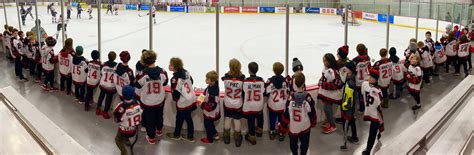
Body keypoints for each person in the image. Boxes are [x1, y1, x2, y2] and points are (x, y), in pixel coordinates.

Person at [135, 50, 168, 144]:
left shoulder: (143, 74)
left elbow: (137, 85)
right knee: (159, 115)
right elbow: (165, 82)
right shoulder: (162, 72)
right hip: (160, 100)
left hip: (148, 101)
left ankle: (151, 137)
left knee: (150, 120)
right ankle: (159, 130)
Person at [279, 72, 316, 155]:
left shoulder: (290, 98)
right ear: (304, 83)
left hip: (294, 126)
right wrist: (313, 122)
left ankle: (295, 153)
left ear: (294, 83)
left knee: (293, 143)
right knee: (305, 143)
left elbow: (286, 114)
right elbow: (312, 112)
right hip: (305, 126)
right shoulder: (307, 97)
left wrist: (283, 126)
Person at [167, 57, 197, 142]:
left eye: (171, 65)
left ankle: (190, 136)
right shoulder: (186, 72)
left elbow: (175, 94)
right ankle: (177, 134)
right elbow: (192, 81)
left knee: (187, 119)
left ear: (175, 67)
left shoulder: (174, 79)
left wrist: (177, 100)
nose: (169, 66)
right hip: (191, 98)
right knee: (180, 118)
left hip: (183, 102)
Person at [222, 58, 245, 147]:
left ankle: (226, 137)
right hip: (237, 103)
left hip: (227, 102)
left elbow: (227, 77)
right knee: (237, 120)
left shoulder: (226, 77)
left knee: (227, 119)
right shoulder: (242, 78)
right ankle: (237, 139)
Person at [318, 53, 343, 134]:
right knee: (327, 109)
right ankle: (329, 121)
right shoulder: (326, 68)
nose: (323, 62)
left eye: (324, 60)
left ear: (329, 61)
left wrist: (323, 84)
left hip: (330, 95)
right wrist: (320, 81)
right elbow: (323, 78)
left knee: (327, 109)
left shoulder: (333, 71)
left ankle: (333, 125)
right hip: (327, 94)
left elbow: (338, 84)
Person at [113, 85, 142, 155]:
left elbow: (116, 118)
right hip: (134, 130)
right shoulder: (137, 103)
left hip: (124, 131)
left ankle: (124, 152)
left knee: (117, 140)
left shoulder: (121, 106)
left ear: (123, 95)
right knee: (127, 123)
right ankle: (127, 140)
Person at [361, 69, 384, 155]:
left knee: (372, 132)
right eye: (369, 76)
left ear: (376, 79)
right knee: (373, 128)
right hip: (368, 110)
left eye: (372, 77)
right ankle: (379, 131)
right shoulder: (364, 84)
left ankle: (368, 149)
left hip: (375, 114)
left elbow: (379, 104)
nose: (370, 78)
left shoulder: (378, 91)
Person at [264, 62, 288, 141]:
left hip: (273, 105)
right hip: (282, 105)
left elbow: (265, 92)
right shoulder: (285, 81)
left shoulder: (270, 81)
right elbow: (288, 90)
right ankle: (281, 132)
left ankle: (272, 131)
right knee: (281, 119)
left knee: (272, 118)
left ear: (273, 70)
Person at [242, 62, 265, 145]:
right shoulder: (261, 80)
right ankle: (259, 131)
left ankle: (252, 137)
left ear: (249, 70)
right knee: (260, 117)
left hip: (250, 105)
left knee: (251, 121)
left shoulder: (246, 81)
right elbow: (264, 92)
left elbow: (243, 93)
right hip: (259, 105)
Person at [340, 61, 359, 149]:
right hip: (351, 107)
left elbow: (349, 99)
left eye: (346, 68)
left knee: (346, 123)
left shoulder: (350, 83)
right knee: (352, 122)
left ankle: (345, 143)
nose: (345, 69)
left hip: (348, 108)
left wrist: (345, 108)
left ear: (350, 70)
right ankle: (355, 138)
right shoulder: (350, 78)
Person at [200, 71, 221, 144]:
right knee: (210, 122)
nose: (206, 80)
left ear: (212, 81)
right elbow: (205, 92)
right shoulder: (212, 86)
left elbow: (212, 105)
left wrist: (202, 105)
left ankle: (209, 139)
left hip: (210, 111)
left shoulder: (213, 91)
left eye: (208, 79)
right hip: (210, 110)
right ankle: (215, 134)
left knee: (207, 124)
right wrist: (200, 99)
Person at [97, 51, 118, 119]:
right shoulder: (116, 66)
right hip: (111, 86)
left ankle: (98, 108)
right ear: (115, 58)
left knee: (101, 95)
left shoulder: (104, 64)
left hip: (103, 84)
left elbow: (101, 73)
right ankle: (105, 112)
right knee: (109, 98)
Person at [352, 43, 371, 113]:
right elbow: (369, 68)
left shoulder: (355, 60)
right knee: (365, 94)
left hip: (358, 81)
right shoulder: (367, 58)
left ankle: (362, 108)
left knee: (360, 95)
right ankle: (367, 106)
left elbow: (353, 71)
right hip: (366, 79)